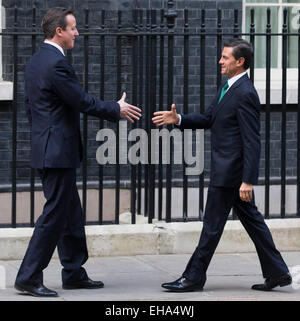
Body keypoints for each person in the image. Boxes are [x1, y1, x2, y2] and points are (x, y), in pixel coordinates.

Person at [14, 7, 141, 297]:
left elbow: (33, 108)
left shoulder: (36, 61)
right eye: (73, 28)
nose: (77, 33)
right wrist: (116, 108)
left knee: (70, 211)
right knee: (56, 213)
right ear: (59, 31)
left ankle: (73, 272)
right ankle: (28, 276)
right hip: (56, 150)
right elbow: (80, 100)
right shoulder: (56, 64)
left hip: (48, 147)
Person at [152, 38, 291, 292]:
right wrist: (178, 118)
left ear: (240, 62)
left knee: (212, 227)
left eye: (225, 57)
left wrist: (247, 180)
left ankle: (193, 277)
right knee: (253, 223)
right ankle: (278, 272)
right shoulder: (228, 87)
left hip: (231, 175)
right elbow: (208, 118)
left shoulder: (245, 93)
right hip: (228, 172)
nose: (220, 61)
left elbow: (252, 141)